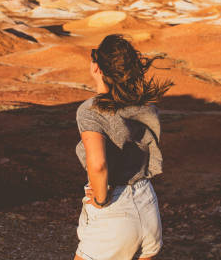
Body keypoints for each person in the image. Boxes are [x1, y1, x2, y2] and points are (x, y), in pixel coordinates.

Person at [74, 34, 174, 260]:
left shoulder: (90, 111)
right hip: (147, 203)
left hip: (115, 211)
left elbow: (98, 164)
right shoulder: (141, 105)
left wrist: (101, 199)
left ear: (97, 68)